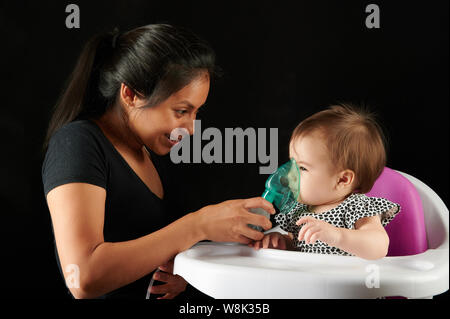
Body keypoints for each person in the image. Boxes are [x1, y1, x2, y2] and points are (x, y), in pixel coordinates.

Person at [42, 24, 275, 299]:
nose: (191, 129)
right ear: (130, 94)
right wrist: (198, 225)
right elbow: (83, 276)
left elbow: (152, 251)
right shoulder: (78, 143)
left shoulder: (150, 153)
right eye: (181, 111)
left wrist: (183, 272)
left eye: (196, 113)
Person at [249, 104, 400, 260]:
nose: (290, 174)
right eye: (292, 164)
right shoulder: (300, 211)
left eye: (302, 168)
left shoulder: (357, 207)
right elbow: (298, 247)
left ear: (343, 180)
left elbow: (379, 246)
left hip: (344, 282)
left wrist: (337, 236)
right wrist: (284, 243)